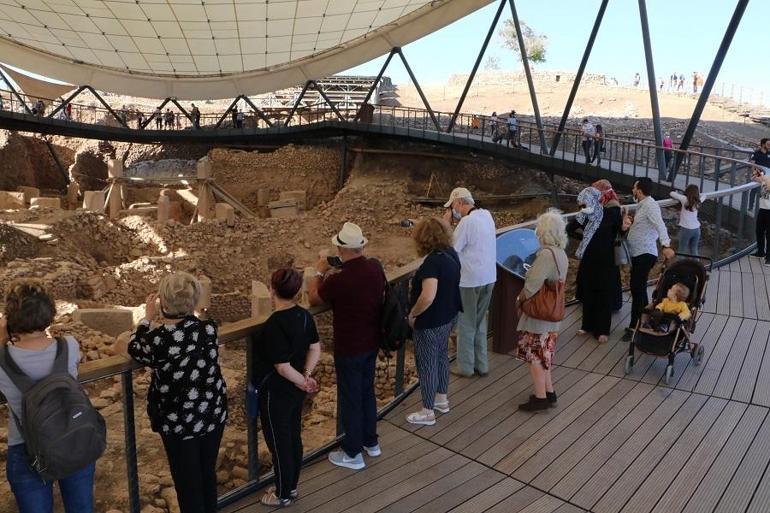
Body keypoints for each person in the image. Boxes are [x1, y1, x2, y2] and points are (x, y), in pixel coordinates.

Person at [127, 272, 227, 513]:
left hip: (178, 422)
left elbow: (134, 346)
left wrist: (147, 319)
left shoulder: (157, 340)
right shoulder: (209, 329)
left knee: (187, 483)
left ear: (164, 301)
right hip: (212, 413)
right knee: (206, 474)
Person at [0, 281, 96, 513]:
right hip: (72, 437)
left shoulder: (2, 358)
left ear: (10, 318)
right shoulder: (69, 346)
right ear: (50, 314)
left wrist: (3, 336)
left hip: (25, 448)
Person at [308, 222, 384, 470]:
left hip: (349, 347)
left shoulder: (340, 280)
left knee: (351, 398)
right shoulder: (375, 269)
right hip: (371, 341)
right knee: (366, 392)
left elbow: (313, 298)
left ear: (341, 250)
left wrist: (319, 271)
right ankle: (371, 443)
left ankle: (353, 453)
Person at [253, 268, 321, 506]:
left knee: (279, 442)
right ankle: (290, 486)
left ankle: (282, 494)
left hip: (276, 392)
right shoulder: (304, 316)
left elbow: (281, 367)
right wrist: (306, 376)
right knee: (293, 436)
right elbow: (315, 348)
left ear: (272, 290)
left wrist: (303, 381)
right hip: (296, 389)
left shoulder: (273, 324)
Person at [406, 218, 462, 426]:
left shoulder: (432, 263)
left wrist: (413, 314)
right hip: (449, 315)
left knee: (427, 364)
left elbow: (428, 295)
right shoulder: (451, 254)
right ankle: (441, 400)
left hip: (431, 321)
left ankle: (427, 412)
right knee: (440, 357)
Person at [516, 210, 568, 412]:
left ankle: (540, 398)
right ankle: (549, 392)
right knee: (545, 354)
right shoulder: (560, 253)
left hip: (540, 316)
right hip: (552, 314)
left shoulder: (546, 255)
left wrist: (519, 299)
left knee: (535, 356)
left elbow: (532, 284)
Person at [442, 187, 496, 377]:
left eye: (452, 206)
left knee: (466, 323)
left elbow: (451, 248)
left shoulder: (467, 221)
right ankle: (481, 365)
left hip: (470, 280)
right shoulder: (487, 215)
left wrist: (445, 225)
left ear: (459, 202)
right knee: (479, 321)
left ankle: (465, 367)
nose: (453, 210)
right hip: (489, 277)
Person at [622, 178, 675, 340]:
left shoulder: (650, 205)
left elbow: (660, 225)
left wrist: (666, 245)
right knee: (638, 291)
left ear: (639, 190)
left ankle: (635, 327)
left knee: (637, 291)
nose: (632, 190)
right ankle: (643, 322)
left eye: (634, 187)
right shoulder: (643, 205)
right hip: (639, 254)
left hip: (645, 254)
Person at [567, 187, 621, 343]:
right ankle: (587, 325)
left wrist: (625, 227)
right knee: (589, 292)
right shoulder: (584, 215)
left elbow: (621, 233)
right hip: (589, 259)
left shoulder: (612, 213)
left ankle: (602, 330)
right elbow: (569, 229)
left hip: (607, 261)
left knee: (604, 294)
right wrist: (584, 238)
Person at [592, 179, 624, 312]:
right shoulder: (610, 204)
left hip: (608, 249)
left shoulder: (612, 207)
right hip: (608, 249)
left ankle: (611, 304)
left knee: (609, 278)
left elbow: (609, 228)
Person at [670, 185, 705, 256]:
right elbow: (705, 195)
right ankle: (696, 266)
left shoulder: (684, 199)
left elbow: (671, 193)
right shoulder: (698, 201)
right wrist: (698, 195)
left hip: (686, 229)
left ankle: (680, 266)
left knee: (681, 251)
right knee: (694, 250)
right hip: (697, 229)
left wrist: (677, 192)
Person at [750, 138, 770, 261]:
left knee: (769, 233)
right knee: (759, 230)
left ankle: (769, 257)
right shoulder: (765, 177)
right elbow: (754, 178)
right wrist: (758, 173)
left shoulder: (766, 179)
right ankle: (761, 252)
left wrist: (762, 177)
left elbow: (765, 182)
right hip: (763, 208)